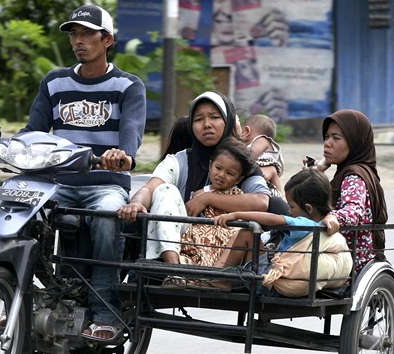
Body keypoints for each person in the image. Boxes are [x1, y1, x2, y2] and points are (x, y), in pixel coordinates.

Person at [0, 4, 147, 342]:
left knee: (108, 217)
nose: (78, 41)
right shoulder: (54, 83)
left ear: (107, 39)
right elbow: (33, 131)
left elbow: (131, 131)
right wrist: (0, 146)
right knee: (15, 209)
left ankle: (103, 313)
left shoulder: (128, 86)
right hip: (57, 182)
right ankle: (18, 300)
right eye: (73, 34)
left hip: (104, 183)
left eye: (86, 34)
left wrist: (121, 156)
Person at [117, 91, 271, 274]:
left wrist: (207, 198)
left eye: (214, 117)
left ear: (228, 121)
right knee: (165, 190)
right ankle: (175, 270)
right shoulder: (180, 161)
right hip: (180, 242)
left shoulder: (242, 161)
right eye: (198, 119)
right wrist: (135, 203)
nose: (206, 125)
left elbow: (261, 202)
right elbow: (150, 189)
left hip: (227, 247)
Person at [317, 109, 394, 288]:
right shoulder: (350, 172)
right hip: (336, 252)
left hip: (348, 259)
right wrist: (317, 171)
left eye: (336, 138)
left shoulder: (353, 177)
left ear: (355, 143)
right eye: (327, 136)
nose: (327, 143)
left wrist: (332, 217)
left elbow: (352, 213)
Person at [208, 168, 349, 296]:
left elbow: (275, 219)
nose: (289, 211)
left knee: (247, 235)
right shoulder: (321, 224)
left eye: (292, 206)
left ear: (309, 208)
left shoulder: (306, 224)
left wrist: (236, 215)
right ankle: (220, 277)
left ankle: (222, 281)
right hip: (277, 277)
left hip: (270, 282)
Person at [178, 137, 258, 270]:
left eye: (229, 173)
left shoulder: (238, 196)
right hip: (200, 239)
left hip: (225, 241)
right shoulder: (199, 194)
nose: (221, 175)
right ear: (210, 166)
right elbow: (190, 214)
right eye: (218, 168)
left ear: (238, 179)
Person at [240, 114, 284, 196]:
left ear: (246, 131)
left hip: (265, 186)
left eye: (240, 131)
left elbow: (249, 155)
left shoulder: (262, 140)